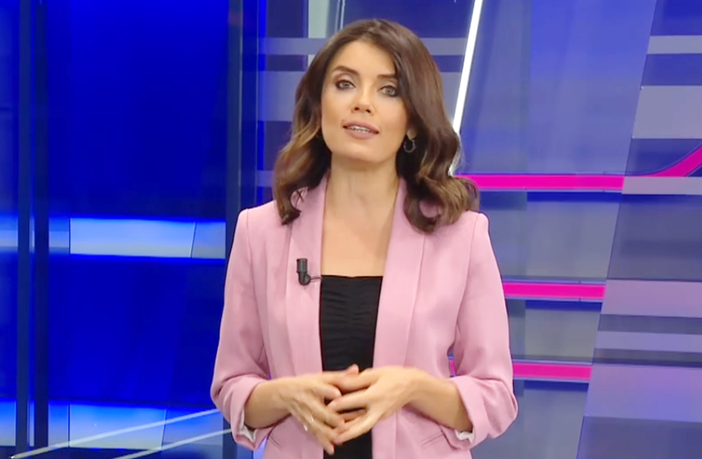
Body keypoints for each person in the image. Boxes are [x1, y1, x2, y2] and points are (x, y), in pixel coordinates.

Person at [211, 18, 517, 459]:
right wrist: (284, 395)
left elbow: (496, 396)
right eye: (345, 84)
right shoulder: (260, 233)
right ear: (320, 105)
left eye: (388, 90)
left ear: (413, 122)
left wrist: (414, 387)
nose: (362, 103)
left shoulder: (462, 236)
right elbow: (232, 385)